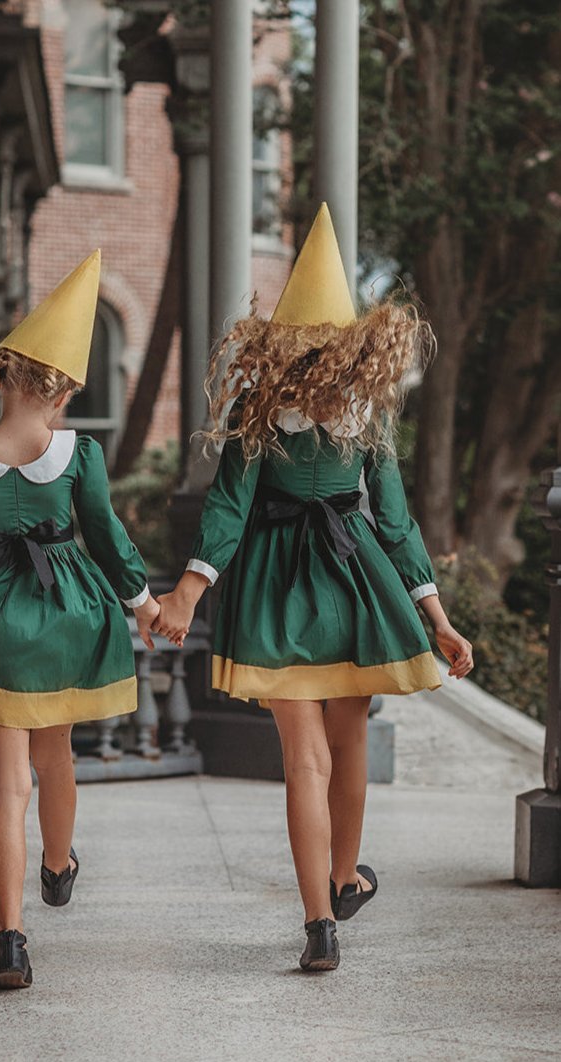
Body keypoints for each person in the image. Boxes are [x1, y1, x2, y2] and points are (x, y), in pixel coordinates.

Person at [153, 205, 473, 972]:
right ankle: (343, 873)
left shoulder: (255, 411)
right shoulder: (366, 417)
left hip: (272, 589)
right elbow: (394, 525)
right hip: (356, 588)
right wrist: (438, 617)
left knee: (304, 760)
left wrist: (189, 595)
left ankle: (319, 921)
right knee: (351, 740)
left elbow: (227, 511)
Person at [0, 251, 160, 989]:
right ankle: (58, 862)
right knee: (58, 757)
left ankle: (10, 941)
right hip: (62, 622)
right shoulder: (79, 454)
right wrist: (144, 604)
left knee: (4, 782)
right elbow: (108, 539)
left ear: (5, 375)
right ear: (60, 391)